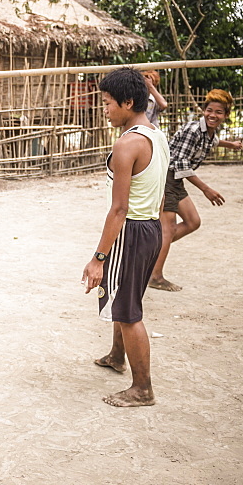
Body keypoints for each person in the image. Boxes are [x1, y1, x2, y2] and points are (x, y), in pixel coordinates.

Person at [81, 68, 169, 408]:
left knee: (129, 312)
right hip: (150, 227)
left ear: (128, 102)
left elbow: (118, 209)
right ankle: (117, 356)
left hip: (131, 231)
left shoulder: (126, 144)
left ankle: (142, 389)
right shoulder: (157, 136)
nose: (104, 109)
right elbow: (159, 193)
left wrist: (98, 258)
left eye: (107, 103)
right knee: (124, 300)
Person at [148, 89, 243, 292]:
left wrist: (231, 145)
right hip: (167, 176)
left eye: (219, 112)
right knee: (168, 228)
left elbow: (213, 142)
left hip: (176, 179)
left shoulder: (209, 132)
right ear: (203, 110)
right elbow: (181, 164)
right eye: (209, 110)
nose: (213, 115)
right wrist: (205, 189)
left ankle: (149, 250)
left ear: (226, 115)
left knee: (193, 222)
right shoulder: (193, 129)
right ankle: (155, 276)